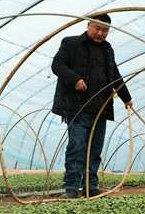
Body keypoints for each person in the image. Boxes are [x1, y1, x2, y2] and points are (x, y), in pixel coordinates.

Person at [51, 13, 132, 199]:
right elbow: (57, 65)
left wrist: (126, 98)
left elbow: (115, 75)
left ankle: (90, 187)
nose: (100, 33)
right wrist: (75, 79)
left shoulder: (108, 49)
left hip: (101, 109)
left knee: (94, 150)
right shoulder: (71, 43)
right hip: (77, 108)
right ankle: (71, 187)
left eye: (105, 30)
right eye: (97, 28)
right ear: (88, 25)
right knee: (77, 146)